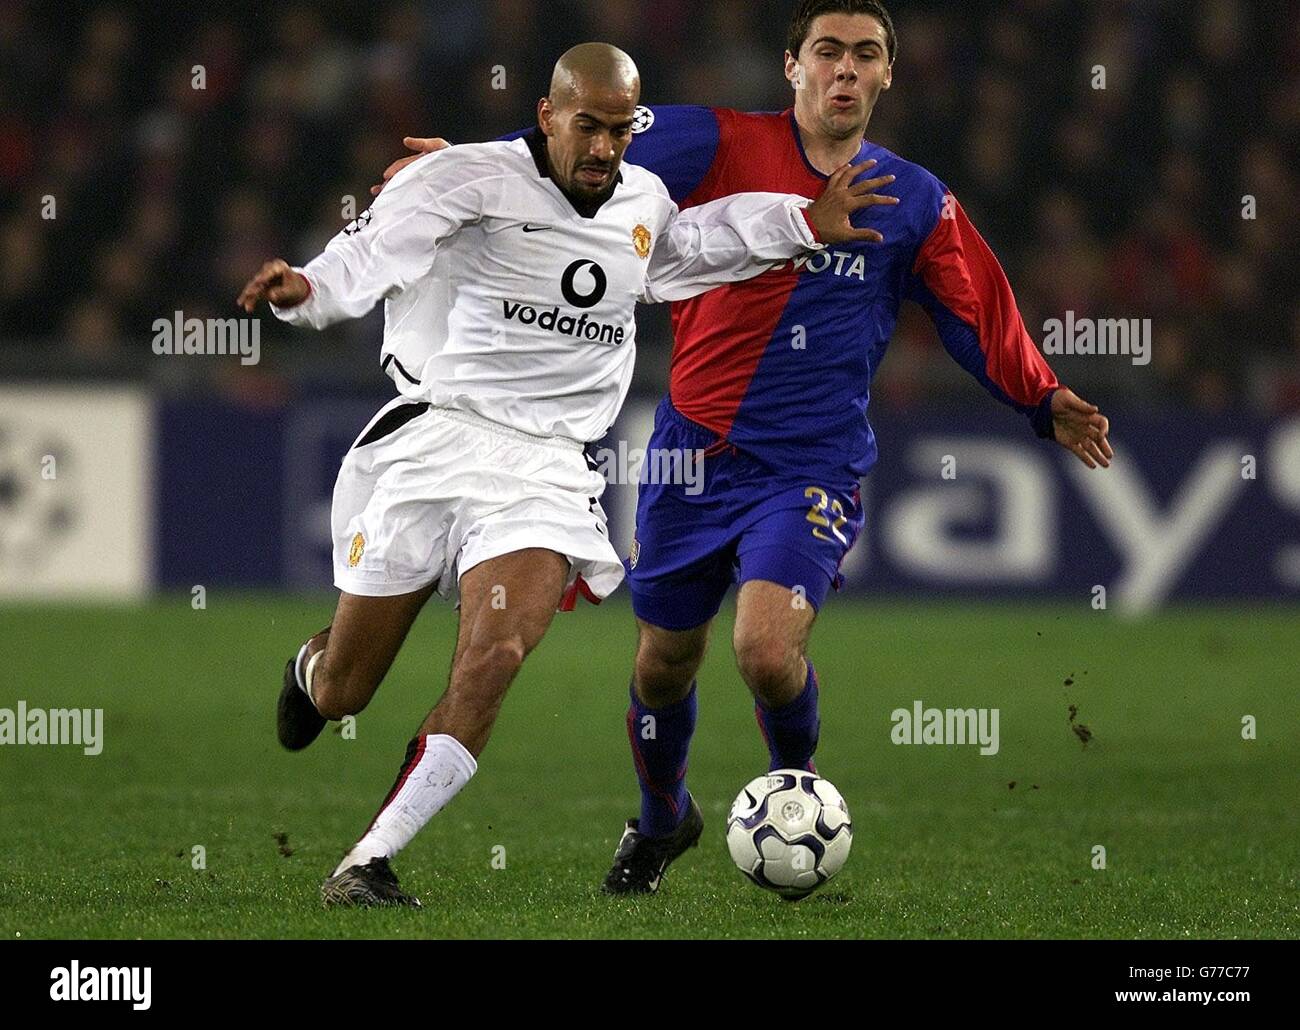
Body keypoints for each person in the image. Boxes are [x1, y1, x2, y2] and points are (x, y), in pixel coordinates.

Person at [378, 0, 1115, 897]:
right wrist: (462, 168)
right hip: (692, 454)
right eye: (828, 52)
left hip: (811, 467)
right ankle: (660, 821)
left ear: (888, 74)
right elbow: (578, 142)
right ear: (792, 66)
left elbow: (976, 310)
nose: (846, 70)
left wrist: (1042, 397)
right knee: (661, 663)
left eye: (866, 55)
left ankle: (794, 793)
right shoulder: (708, 142)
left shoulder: (913, 198)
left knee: (766, 652)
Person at [237, 41, 892, 907]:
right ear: (546, 116)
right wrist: (309, 290)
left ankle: (368, 860)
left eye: (621, 131)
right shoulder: (465, 180)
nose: (603, 149)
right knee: (347, 689)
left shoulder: (644, 201)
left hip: (545, 472)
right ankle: (312, 674)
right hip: (435, 441)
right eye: (587, 126)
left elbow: (698, 244)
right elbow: (375, 252)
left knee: (497, 650)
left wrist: (804, 223)